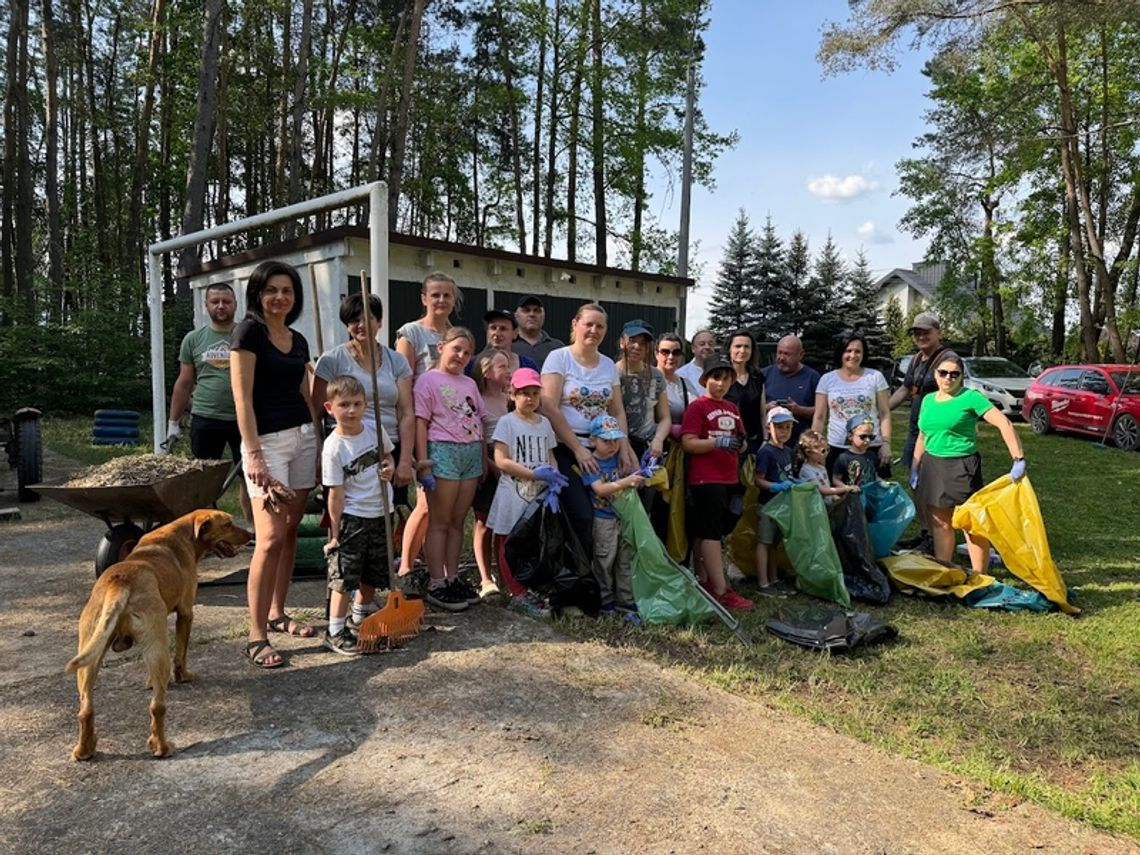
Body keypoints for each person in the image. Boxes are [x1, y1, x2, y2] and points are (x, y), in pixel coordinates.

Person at [230, 260, 322, 669]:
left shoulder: (299, 339)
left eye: (287, 291)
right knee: (267, 539)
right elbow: (242, 400)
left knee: (287, 534)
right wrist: (252, 454)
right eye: (271, 291)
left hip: (303, 439)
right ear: (258, 294)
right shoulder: (248, 333)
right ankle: (255, 636)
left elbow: (308, 396)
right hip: (267, 444)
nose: (279, 297)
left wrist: (320, 443)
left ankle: (278, 613)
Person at [910, 351, 1026, 576]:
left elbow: (1004, 424)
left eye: (954, 374)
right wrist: (915, 466)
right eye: (943, 373)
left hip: (961, 466)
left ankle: (979, 576)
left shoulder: (970, 397)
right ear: (935, 375)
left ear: (962, 376)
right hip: (932, 466)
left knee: (971, 524)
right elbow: (922, 436)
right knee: (940, 522)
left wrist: (1018, 458)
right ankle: (945, 571)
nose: (948, 378)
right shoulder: (927, 400)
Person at [540, 302, 638, 554]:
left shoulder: (607, 365)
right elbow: (549, 406)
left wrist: (624, 447)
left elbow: (616, 410)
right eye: (589, 324)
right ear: (575, 325)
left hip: (604, 450)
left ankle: (605, 578)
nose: (594, 330)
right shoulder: (559, 358)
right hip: (566, 449)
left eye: (600, 326)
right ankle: (578, 576)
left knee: (608, 512)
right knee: (581, 515)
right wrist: (577, 449)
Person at [312, 293, 415, 510]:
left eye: (368, 319)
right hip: (347, 448)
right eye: (354, 320)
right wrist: (319, 456)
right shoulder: (331, 360)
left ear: (379, 321)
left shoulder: (397, 361)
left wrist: (405, 459)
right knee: (347, 509)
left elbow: (406, 413)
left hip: (388, 446)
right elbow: (316, 413)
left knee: (386, 510)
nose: (361, 325)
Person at [319, 375, 395, 657]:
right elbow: (335, 494)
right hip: (353, 517)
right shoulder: (333, 447)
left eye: (357, 404)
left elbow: (388, 456)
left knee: (373, 571)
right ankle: (335, 630)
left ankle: (359, 616)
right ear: (330, 408)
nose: (351, 410)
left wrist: (388, 467)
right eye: (344, 405)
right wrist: (336, 532)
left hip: (381, 512)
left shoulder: (374, 431)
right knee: (344, 577)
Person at [167, 282, 252, 522]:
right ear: (206, 306)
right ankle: (208, 530)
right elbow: (184, 383)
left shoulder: (248, 335)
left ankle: (254, 529)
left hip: (244, 419)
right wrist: (174, 421)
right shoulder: (194, 339)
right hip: (206, 417)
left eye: (226, 301)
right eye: (215, 302)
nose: (221, 306)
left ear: (235, 304)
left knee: (250, 476)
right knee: (203, 480)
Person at [413, 327, 485, 612]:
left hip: (469, 454)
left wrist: (481, 459)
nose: (461, 356)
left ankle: (453, 577)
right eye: (457, 349)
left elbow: (478, 419)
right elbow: (420, 421)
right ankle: (436, 581)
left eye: (467, 353)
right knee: (440, 521)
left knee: (457, 521)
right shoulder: (427, 381)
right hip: (442, 451)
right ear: (441, 347)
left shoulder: (469, 383)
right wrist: (423, 463)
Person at [396, 271, 460, 580]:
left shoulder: (456, 334)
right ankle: (406, 565)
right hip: (424, 427)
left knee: (437, 509)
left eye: (447, 295)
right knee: (424, 504)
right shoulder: (410, 333)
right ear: (424, 298)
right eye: (435, 294)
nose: (441, 300)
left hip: (451, 430)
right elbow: (402, 384)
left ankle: (428, 562)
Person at [680, 355, 754, 611]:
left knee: (709, 531)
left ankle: (704, 580)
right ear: (704, 380)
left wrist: (740, 442)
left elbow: (741, 440)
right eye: (715, 378)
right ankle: (722, 590)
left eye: (726, 378)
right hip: (705, 478)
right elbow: (688, 442)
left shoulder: (732, 408)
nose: (720, 384)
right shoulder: (698, 407)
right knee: (712, 534)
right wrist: (716, 443)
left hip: (729, 477)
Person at [488, 367, 563, 619]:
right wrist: (533, 474)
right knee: (508, 539)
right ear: (512, 394)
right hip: (513, 491)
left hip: (539, 495)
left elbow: (551, 455)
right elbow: (500, 459)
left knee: (531, 540)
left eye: (534, 393)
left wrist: (554, 478)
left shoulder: (544, 424)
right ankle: (515, 591)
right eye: (523, 393)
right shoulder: (506, 422)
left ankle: (530, 586)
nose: (529, 398)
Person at [580, 414, 645, 623]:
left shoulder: (620, 458)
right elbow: (599, 489)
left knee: (624, 561)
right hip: (603, 521)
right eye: (606, 441)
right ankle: (605, 600)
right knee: (604, 561)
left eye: (615, 440)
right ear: (593, 441)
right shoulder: (591, 464)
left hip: (623, 518)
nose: (612, 445)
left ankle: (625, 601)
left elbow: (634, 477)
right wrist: (625, 482)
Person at [812, 330, 892, 476]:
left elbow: (884, 413)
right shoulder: (826, 379)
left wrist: (886, 443)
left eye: (858, 351)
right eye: (848, 351)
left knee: (874, 493)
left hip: (871, 446)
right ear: (841, 353)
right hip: (837, 447)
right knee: (838, 494)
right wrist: (815, 446)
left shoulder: (875, 377)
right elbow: (819, 416)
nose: (853, 355)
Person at [470, 349, 511, 599]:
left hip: (510, 463)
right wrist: (489, 463)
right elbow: (474, 436)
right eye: (502, 366)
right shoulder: (477, 400)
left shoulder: (510, 399)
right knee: (484, 522)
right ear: (486, 372)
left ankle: (505, 574)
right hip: (487, 461)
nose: (509, 371)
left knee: (505, 524)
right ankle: (485, 577)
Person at [888, 313, 948, 470]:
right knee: (912, 476)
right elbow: (905, 388)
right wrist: (883, 409)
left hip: (937, 433)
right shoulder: (916, 359)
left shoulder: (948, 360)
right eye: (917, 333)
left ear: (938, 332)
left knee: (932, 479)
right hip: (915, 430)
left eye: (926, 332)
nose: (921, 337)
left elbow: (953, 396)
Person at [753, 407, 796, 596]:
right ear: (768, 427)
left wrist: (795, 482)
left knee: (774, 544)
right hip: (768, 505)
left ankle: (774, 579)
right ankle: (763, 583)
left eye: (787, 427)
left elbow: (788, 474)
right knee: (764, 542)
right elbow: (758, 480)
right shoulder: (766, 452)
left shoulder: (788, 451)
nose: (784, 431)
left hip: (782, 505)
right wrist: (774, 486)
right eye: (779, 427)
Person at [616, 319, 670, 465]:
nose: (637, 346)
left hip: (649, 446)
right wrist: (625, 447)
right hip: (617, 446)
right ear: (622, 342)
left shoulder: (656, 375)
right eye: (632, 340)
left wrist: (658, 439)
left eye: (643, 343)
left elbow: (665, 417)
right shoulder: (611, 373)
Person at [762, 335, 820, 443]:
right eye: (779, 353)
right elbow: (751, 407)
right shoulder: (764, 374)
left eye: (787, 354)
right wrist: (766, 407)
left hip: (800, 443)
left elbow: (821, 411)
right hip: (770, 443)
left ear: (801, 355)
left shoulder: (812, 377)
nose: (781, 358)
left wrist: (798, 410)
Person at [722, 329, 767, 452]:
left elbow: (762, 413)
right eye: (738, 346)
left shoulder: (757, 377)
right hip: (729, 443)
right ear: (729, 349)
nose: (742, 351)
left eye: (747, 347)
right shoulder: (721, 377)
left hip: (755, 442)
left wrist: (766, 440)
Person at [795, 429, 858, 505]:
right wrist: (846, 488)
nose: (826, 453)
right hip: (814, 508)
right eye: (823, 451)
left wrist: (834, 497)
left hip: (825, 507)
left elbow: (827, 487)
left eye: (828, 449)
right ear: (808, 452)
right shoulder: (807, 470)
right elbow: (822, 490)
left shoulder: (821, 468)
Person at [472, 308, 538, 376]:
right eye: (493, 328)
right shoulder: (473, 364)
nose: (497, 333)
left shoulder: (528, 365)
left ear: (515, 333)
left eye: (503, 329)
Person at [832, 413, 885, 492]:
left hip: (870, 495)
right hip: (852, 498)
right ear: (850, 436)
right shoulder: (843, 458)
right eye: (863, 437)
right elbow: (835, 480)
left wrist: (884, 483)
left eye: (871, 437)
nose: (867, 440)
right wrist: (847, 488)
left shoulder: (872, 456)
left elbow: (875, 476)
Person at [512, 295, 564, 366]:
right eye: (526, 310)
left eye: (537, 311)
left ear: (543, 316)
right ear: (516, 315)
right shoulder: (508, 345)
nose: (532, 314)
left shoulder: (558, 347)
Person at [676, 329, 717, 398]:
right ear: (693, 349)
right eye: (702, 344)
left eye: (710, 344)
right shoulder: (681, 375)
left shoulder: (722, 372)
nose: (707, 347)